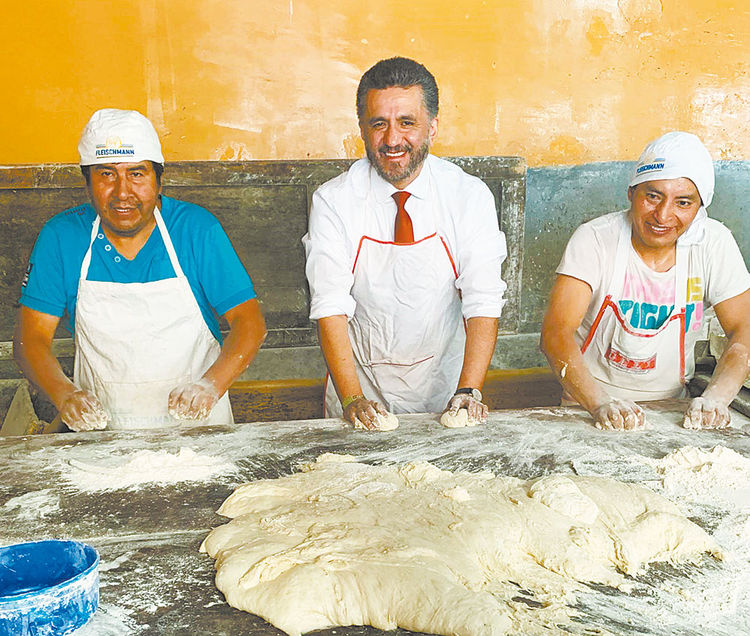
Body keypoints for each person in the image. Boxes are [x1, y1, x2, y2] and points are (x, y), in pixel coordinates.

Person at [14, 108, 266, 431]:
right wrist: (65, 395)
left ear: (159, 180)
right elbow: (29, 339)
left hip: (201, 438)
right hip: (103, 442)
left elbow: (250, 322)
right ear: (87, 183)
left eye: (137, 174)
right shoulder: (62, 238)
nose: (122, 192)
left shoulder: (195, 230)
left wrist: (210, 386)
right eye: (106, 174)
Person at [303, 57, 507, 429]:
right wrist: (352, 397)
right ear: (362, 129)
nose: (392, 140)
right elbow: (330, 304)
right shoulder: (334, 201)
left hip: (446, 393)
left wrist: (469, 391)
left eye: (407, 123)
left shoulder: (468, 196)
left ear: (432, 127)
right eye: (379, 124)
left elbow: (483, 300)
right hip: (358, 391)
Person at [541, 131, 750, 431]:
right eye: (653, 196)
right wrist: (600, 403)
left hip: (674, 413)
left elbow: (744, 328)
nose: (663, 215)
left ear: (700, 207)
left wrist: (717, 397)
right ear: (631, 192)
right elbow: (555, 332)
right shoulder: (596, 240)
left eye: (683, 203)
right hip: (585, 409)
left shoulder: (713, 244)